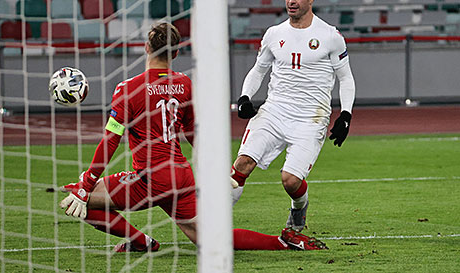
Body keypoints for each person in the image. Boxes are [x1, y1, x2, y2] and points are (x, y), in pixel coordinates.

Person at [59, 22, 327, 252]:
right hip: (180, 176)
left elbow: (111, 140)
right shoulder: (185, 84)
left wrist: (86, 183)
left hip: (149, 177)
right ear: (176, 52)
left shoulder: (127, 89)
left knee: (76, 196)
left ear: (146, 48)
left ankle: (142, 242)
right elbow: (193, 134)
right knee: (209, 239)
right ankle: (283, 242)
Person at [230, 0, 356, 233]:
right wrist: (245, 97)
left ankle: (299, 207)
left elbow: (345, 78)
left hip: (311, 118)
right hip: (274, 111)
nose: (292, 0)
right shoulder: (274, 33)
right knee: (241, 166)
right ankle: (212, 225)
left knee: (290, 181)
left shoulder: (330, 35)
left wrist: (345, 115)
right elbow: (258, 70)